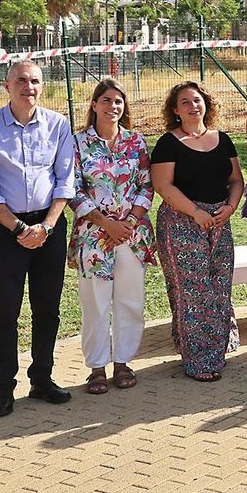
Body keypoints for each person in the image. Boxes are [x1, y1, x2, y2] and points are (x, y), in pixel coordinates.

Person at [0, 59, 77, 417]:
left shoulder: (58, 125)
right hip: (6, 230)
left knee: (47, 307)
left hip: (49, 226)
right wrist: (18, 228)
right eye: (20, 80)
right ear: (6, 85)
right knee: (5, 310)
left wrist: (46, 226)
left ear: (42, 86)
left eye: (34, 81)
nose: (28, 87)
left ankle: (42, 378)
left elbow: (65, 180)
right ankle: (3, 387)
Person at [151, 81, 244, 382]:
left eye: (197, 100)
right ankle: (197, 360)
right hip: (181, 223)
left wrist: (230, 207)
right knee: (192, 292)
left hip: (219, 222)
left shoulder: (223, 140)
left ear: (206, 104)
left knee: (219, 287)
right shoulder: (168, 143)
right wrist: (195, 212)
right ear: (175, 110)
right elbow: (163, 185)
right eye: (185, 102)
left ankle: (217, 350)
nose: (193, 106)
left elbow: (236, 180)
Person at [70, 78, 155, 394]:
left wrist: (129, 221)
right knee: (95, 303)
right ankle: (96, 367)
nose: (112, 106)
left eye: (118, 101)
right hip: (94, 237)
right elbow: (72, 189)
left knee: (130, 301)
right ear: (94, 105)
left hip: (132, 236)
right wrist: (106, 224)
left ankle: (123, 362)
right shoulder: (78, 143)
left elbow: (147, 185)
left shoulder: (136, 142)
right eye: (106, 100)